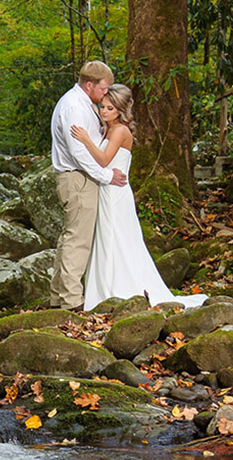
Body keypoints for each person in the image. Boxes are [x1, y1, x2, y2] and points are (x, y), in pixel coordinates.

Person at [70, 83, 207, 310]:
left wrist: (85, 140)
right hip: (106, 190)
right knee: (105, 239)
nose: (104, 111)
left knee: (116, 238)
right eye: (102, 107)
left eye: (110, 108)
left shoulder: (121, 131)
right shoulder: (108, 129)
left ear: (121, 110)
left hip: (115, 193)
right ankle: (103, 290)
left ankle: (119, 289)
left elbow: (104, 160)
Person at [49, 61, 128, 311]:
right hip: (78, 177)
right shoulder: (75, 106)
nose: (106, 93)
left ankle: (58, 296)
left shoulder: (82, 103)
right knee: (78, 240)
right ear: (90, 85)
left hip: (78, 176)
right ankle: (71, 302)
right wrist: (105, 175)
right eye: (104, 89)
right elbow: (78, 152)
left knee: (70, 238)